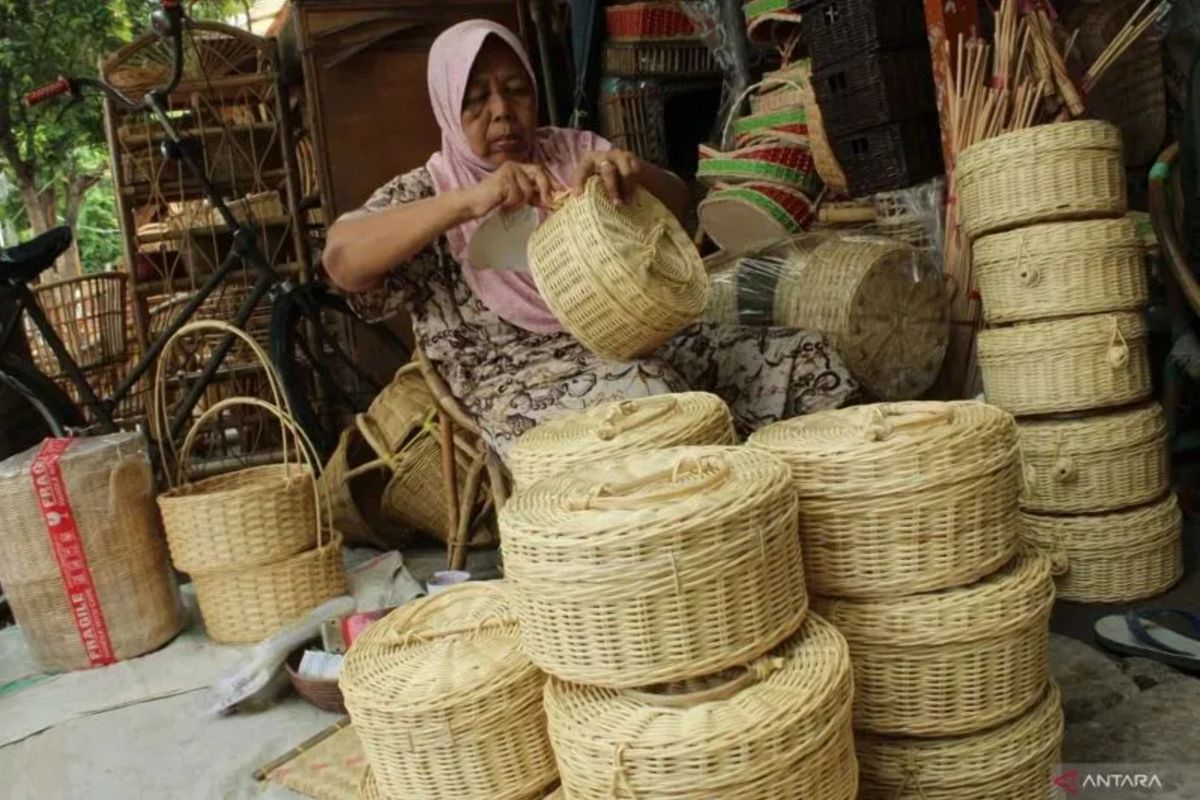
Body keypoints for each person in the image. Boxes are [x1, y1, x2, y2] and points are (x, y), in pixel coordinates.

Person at [324, 19, 857, 459]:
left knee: (807, 359)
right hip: (523, 378)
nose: (502, 111)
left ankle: (816, 519)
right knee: (654, 400)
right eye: (476, 99)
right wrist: (468, 202)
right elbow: (342, 260)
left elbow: (675, 204)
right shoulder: (430, 189)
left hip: (641, 339)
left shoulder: (569, 151)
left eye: (515, 90)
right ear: (445, 106)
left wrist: (635, 174)